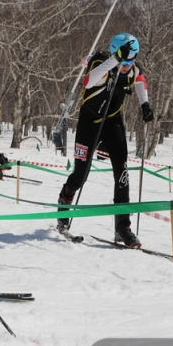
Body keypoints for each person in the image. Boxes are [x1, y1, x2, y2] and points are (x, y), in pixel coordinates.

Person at [54, 33, 155, 248]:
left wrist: (144, 105)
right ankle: (64, 203)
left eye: (133, 58)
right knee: (81, 175)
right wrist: (115, 60)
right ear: (116, 53)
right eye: (125, 59)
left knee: (122, 173)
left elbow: (140, 81)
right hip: (89, 124)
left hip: (112, 123)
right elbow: (88, 82)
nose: (129, 64)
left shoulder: (133, 69)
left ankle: (123, 227)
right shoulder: (102, 64)